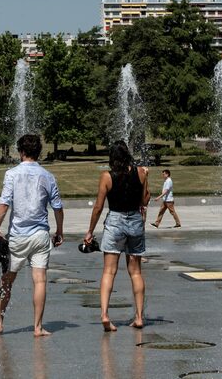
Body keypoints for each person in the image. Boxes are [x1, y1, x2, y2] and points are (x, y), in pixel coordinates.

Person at [0, 134, 64, 337]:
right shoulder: (48, 176)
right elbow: (57, 207)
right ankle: (38, 327)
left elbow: (4, 204)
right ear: (38, 152)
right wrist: (59, 231)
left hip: (17, 236)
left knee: (6, 280)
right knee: (39, 280)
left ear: (21, 152)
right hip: (40, 235)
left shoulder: (12, 174)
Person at [84, 141, 150, 332]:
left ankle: (105, 314)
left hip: (115, 221)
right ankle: (139, 316)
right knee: (136, 272)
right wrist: (147, 179)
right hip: (135, 220)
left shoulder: (106, 176)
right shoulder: (141, 172)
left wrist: (90, 231)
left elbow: (98, 206)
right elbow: (144, 200)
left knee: (109, 271)